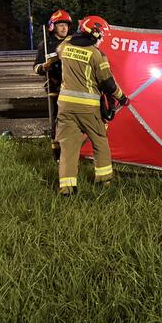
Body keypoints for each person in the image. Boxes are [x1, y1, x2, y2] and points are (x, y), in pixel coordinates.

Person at [55, 15, 129, 196]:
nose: (101, 39)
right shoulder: (97, 55)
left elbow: (67, 44)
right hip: (88, 107)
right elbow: (108, 83)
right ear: (95, 33)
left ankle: (67, 188)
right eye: (101, 35)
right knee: (100, 141)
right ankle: (103, 181)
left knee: (68, 147)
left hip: (65, 106)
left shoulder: (63, 47)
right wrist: (122, 98)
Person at [33, 9, 72, 162]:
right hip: (55, 88)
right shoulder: (45, 45)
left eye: (66, 25)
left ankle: (75, 149)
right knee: (56, 121)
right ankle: (57, 154)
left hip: (73, 88)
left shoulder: (73, 42)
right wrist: (44, 67)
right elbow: (36, 67)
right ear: (53, 27)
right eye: (61, 25)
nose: (64, 28)